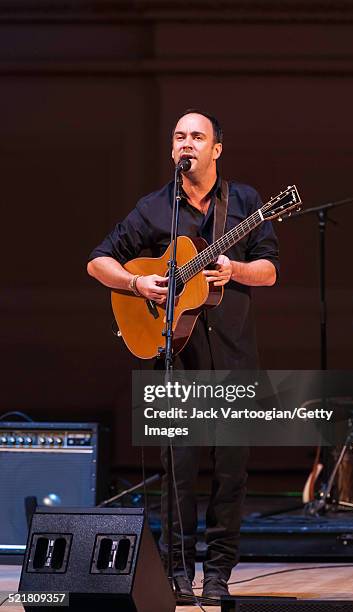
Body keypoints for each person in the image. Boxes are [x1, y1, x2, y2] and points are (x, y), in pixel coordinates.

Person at [87, 109, 279, 600]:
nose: (186, 143)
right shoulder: (154, 209)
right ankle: (176, 573)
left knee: (232, 471)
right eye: (179, 136)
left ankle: (217, 574)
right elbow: (98, 261)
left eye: (197, 136)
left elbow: (269, 271)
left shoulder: (246, 202)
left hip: (234, 355)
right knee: (178, 471)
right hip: (174, 358)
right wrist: (136, 282)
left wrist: (234, 270)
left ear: (216, 149)